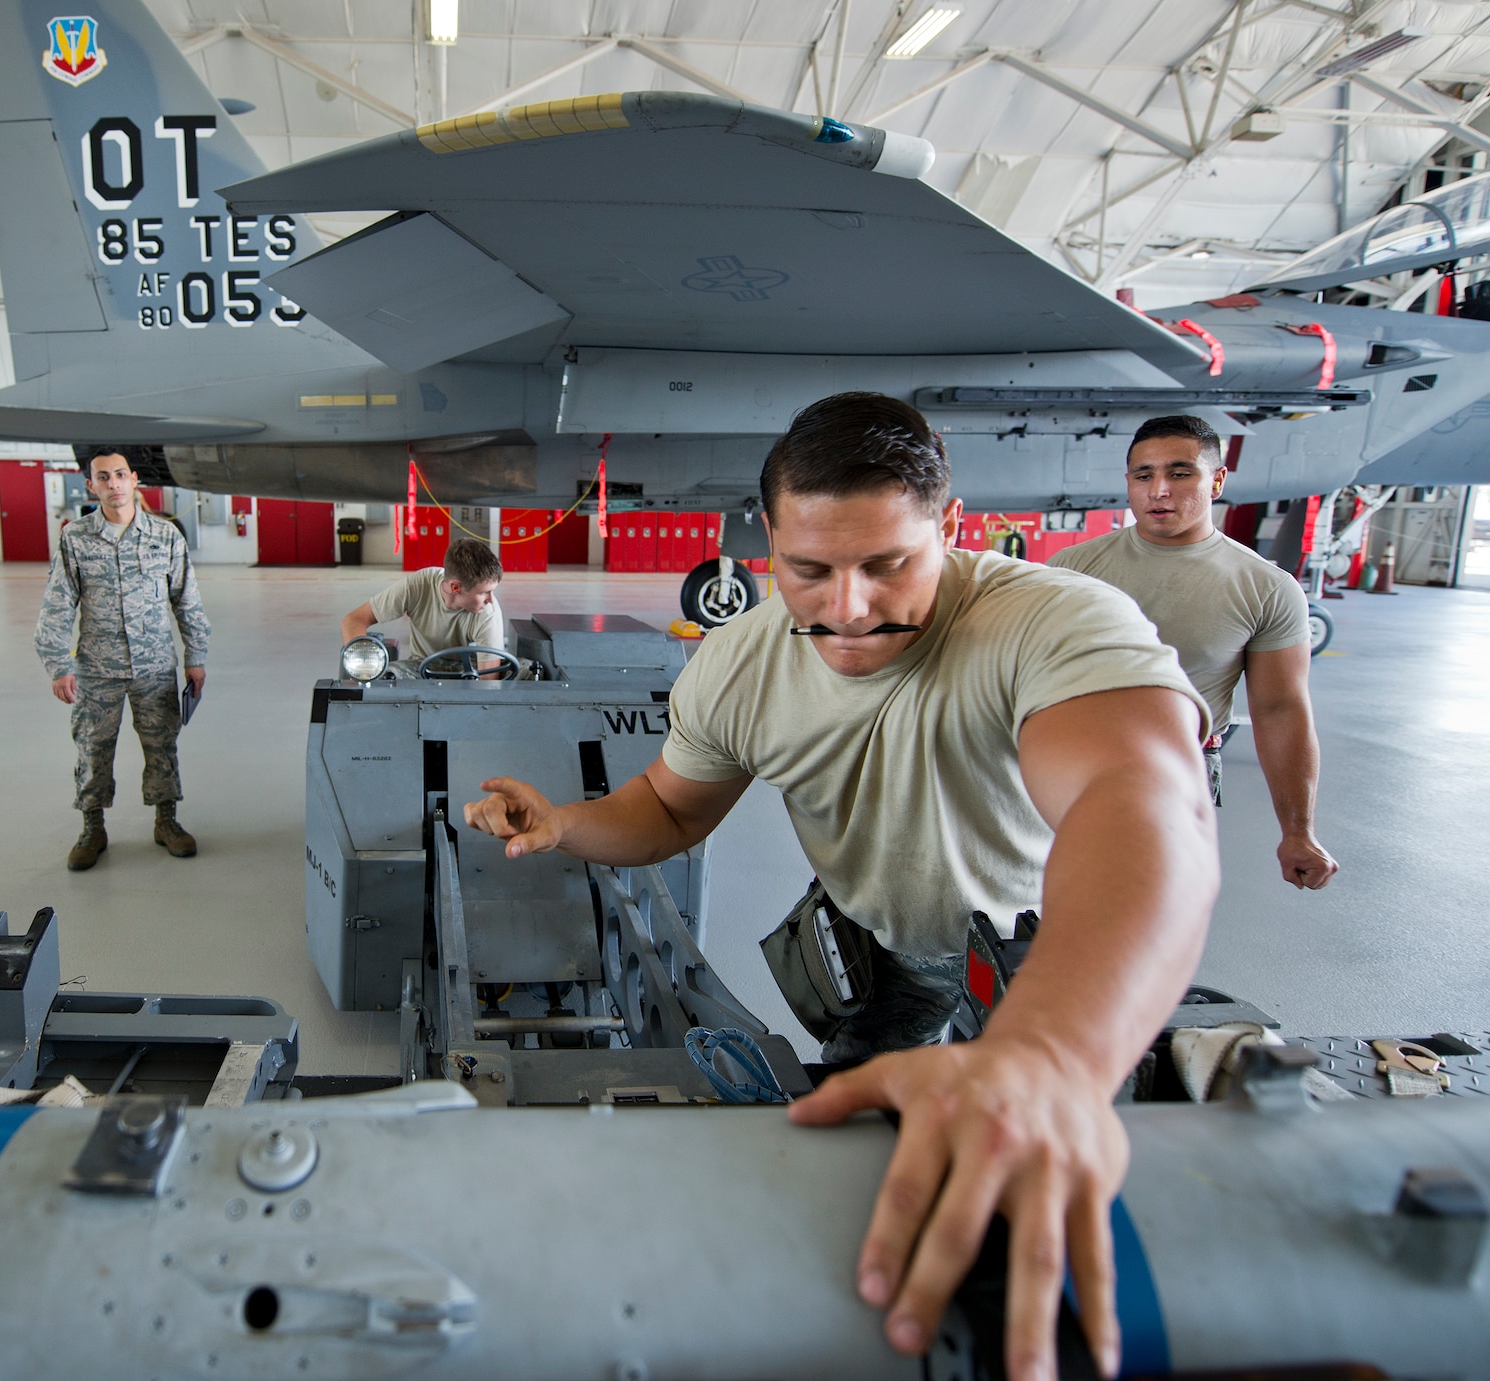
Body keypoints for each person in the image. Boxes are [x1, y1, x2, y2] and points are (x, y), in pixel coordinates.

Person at [463, 393, 1217, 1380]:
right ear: (767, 537)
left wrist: (1050, 1054)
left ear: (948, 527)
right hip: (882, 951)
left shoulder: (1049, 621)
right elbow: (670, 809)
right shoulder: (738, 663)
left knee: (1051, 1205)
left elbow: (1145, 803)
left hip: (1044, 964)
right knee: (861, 1172)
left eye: (887, 564)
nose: (848, 608)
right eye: (809, 571)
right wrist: (564, 823)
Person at [1049, 415, 1337, 889]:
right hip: (1063, 761)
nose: (1159, 490)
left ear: (1217, 480)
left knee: (1143, 919)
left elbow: (1280, 710)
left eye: (1180, 473)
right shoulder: (1070, 569)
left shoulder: (1267, 588)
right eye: (1144, 475)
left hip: (1178, 771)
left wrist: (1298, 831)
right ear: (1129, 483)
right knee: (1042, 918)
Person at [35, 445, 209, 869]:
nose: (113, 483)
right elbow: (57, 605)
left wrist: (196, 655)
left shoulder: (166, 536)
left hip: (154, 666)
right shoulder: (75, 538)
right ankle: (92, 828)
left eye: (119, 474)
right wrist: (59, 664)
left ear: (134, 480)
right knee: (93, 749)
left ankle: (166, 821)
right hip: (97, 669)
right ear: (91, 485)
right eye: (103, 477)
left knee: (161, 746)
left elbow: (187, 601)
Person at [340, 537, 504, 671]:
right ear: (455, 587)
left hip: (467, 671)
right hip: (422, 668)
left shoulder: (488, 610)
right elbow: (354, 620)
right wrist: (363, 666)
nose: (490, 599)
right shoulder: (417, 586)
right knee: (387, 677)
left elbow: (488, 683)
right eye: (483, 592)